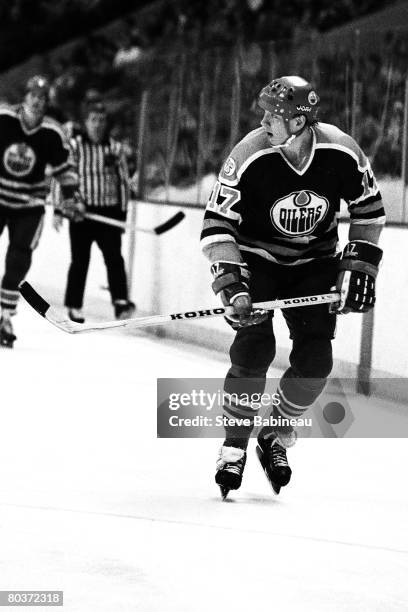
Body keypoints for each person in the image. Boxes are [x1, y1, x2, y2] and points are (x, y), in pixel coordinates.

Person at [200, 76, 386, 498]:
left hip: (315, 263)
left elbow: (370, 213)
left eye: (274, 114)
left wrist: (359, 265)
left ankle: (276, 435)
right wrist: (232, 282)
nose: (264, 120)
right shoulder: (248, 153)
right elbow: (216, 224)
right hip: (258, 262)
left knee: (316, 361)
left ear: (299, 123)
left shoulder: (341, 150)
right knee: (254, 350)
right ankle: (233, 446)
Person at [0, 75, 82, 348]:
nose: (37, 100)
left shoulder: (53, 133)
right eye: (33, 95)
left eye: (43, 97)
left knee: (18, 259)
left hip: (29, 205)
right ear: (24, 96)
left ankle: (4, 316)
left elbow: (65, 171)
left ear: (47, 103)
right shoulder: (4, 118)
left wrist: (70, 199)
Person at [53, 100, 135, 323]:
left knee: (114, 258)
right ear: (85, 122)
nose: (97, 125)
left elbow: (123, 183)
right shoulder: (75, 146)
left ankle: (120, 301)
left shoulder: (115, 149)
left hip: (108, 212)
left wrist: (122, 215)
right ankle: (73, 305)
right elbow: (64, 177)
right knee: (80, 260)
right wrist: (63, 208)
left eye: (101, 120)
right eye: (93, 120)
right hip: (82, 213)